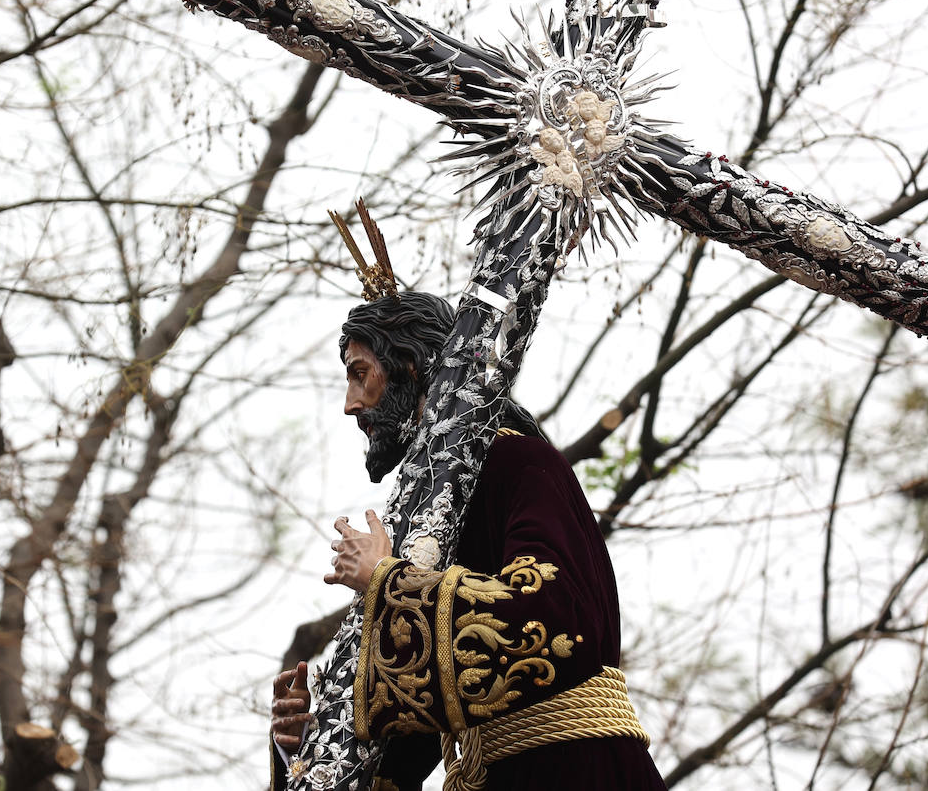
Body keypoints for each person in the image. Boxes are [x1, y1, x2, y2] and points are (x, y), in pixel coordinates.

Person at [269, 289, 666, 791]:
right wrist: (314, 744)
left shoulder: (522, 463)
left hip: (579, 769)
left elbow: (554, 619)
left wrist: (387, 581)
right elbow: (404, 743)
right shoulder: (428, 524)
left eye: (359, 373)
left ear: (409, 366)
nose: (350, 405)